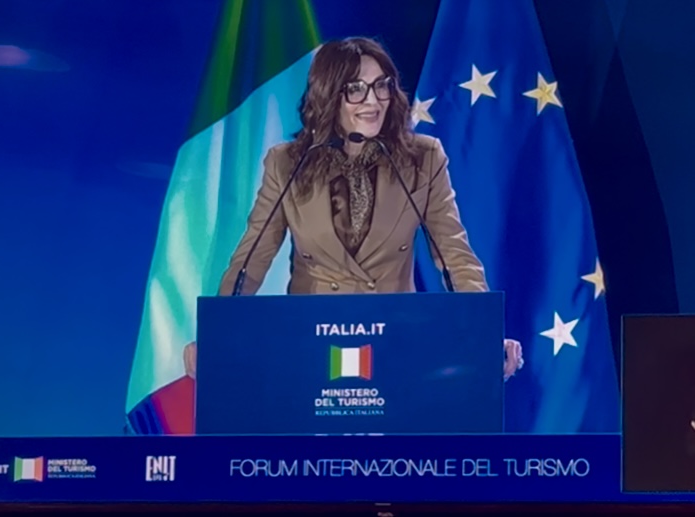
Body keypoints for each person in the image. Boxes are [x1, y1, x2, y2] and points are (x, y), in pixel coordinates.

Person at [186, 37, 522, 380]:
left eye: (381, 86)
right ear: (329, 94)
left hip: (393, 343)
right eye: (356, 89)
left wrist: (484, 331)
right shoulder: (287, 164)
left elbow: (454, 255)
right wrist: (216, 332)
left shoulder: (423, 158)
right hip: (312, 343)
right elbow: (252, 258)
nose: (373, 101)